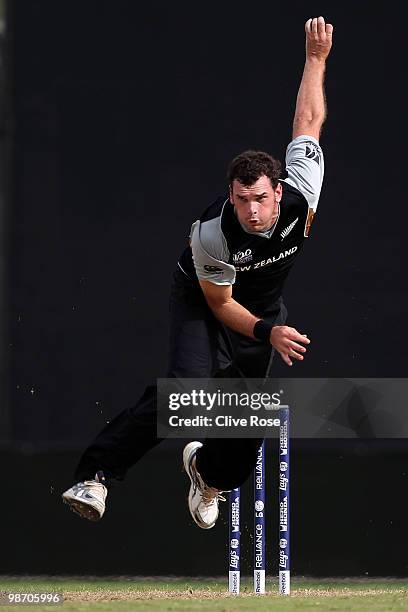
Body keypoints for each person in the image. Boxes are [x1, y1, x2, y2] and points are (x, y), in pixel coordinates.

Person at [62, 16, 333, 528]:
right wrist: (267, 331)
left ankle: (206, 476)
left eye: (259, 199)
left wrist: (315, 59)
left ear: (277, 190)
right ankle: (96, 476)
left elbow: (308, 120)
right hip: (206, 299)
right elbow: (219, 304)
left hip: (262, 308)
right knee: (188, 394)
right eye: (241, 199)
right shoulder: (211, 232)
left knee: (245, 421)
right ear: (230, 195)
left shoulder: (303, 190)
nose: (251, 211)